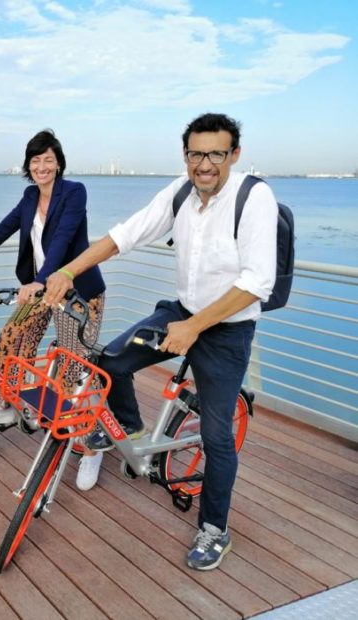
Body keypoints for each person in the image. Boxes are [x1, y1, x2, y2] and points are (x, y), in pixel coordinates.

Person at [44, 113, 278, 570]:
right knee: (110, 363)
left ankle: (215, 529)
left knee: (215, 435)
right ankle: (129, 429)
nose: (204, 164)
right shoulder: (180, 192)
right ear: (185, 155)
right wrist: (69, 270)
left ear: (234, 154)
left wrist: (195, 328)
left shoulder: (255, 197)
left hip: (227, 328)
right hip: (181, 311)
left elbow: (258, 282)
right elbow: (123, 236)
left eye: (215, 153)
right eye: (196, 153)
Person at [0, 129, 107, 491]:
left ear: (59, 163)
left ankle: (93, 445)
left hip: (77, 291)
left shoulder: (74, 193)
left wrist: (42, 279)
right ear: (28, 167)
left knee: (74, 366)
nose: (42, 166)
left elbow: (64, 238)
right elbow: (0, 230)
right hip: (41, 288)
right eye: (35, 161)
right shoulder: (29, 196)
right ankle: (7, 403)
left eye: (48, 159)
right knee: (12, 337)